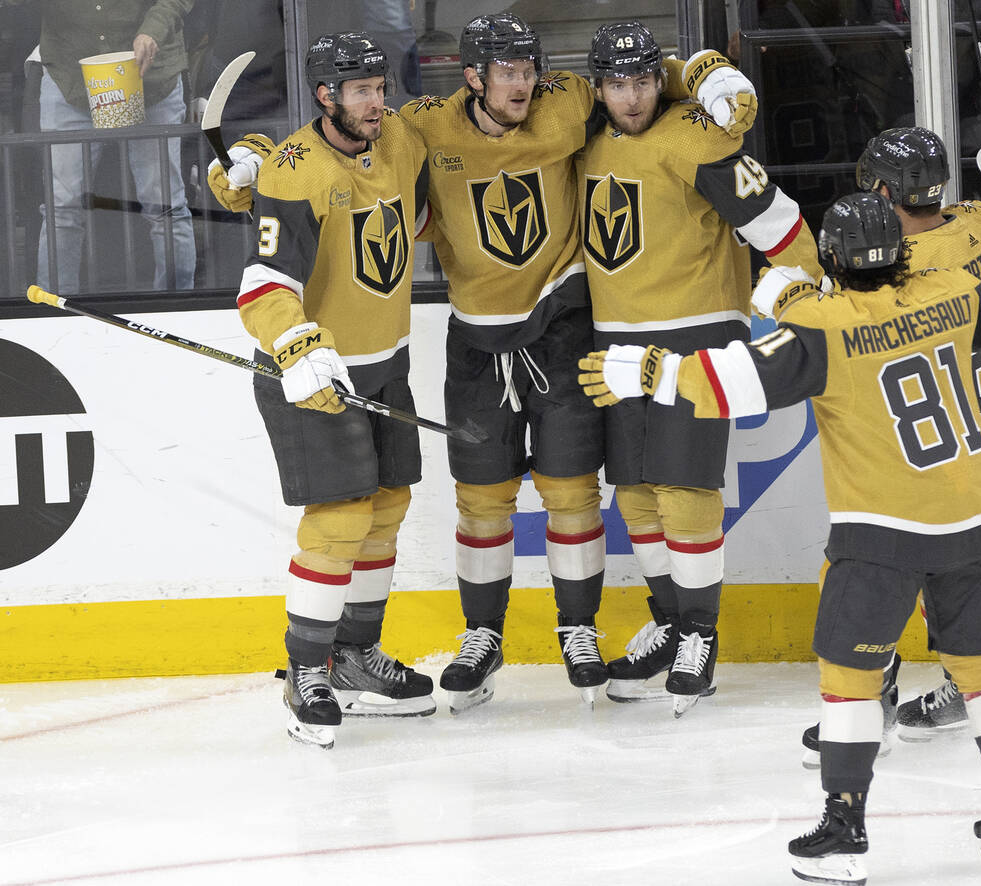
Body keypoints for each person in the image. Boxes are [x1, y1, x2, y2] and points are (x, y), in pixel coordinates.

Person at [578, 190, 981, 881]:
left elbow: (738, 379)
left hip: (879, 536)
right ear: (900, 251)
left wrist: (650, 371)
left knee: (849, 682)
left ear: (832, 260)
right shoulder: (955, 292)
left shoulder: (823, 324)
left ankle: (844, 830)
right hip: (973, 523)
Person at [206, 12, 759, 713]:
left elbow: (640, 78)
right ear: (471, 77)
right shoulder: (424, 127)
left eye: (529, 68)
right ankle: (478, 637)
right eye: (506, 72)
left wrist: (712, 73)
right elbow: (308, 157)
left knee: (567, 491)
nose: (522, 83)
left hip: (560, 325)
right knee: (479, 501)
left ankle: (577, 628)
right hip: (471, 338)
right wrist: (253, 156)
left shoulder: (562, 101)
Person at [581, 21, 823, 715]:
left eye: (644, 80)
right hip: (614, 339)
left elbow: (777, 221)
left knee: (685, 492)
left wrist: (815, 297)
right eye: (617, 84)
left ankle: (700, 635)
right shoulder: (586, 136)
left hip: (695, 334)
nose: (631, 97)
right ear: (599, 87)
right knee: (634, 493)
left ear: (661, 77)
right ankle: (671, 617)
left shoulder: (700, 135)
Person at [787, 127, 981, 759]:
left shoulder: (900, 268)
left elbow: (833, 323)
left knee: (860, 576)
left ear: (881, 189)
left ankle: (871, 693)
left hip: (923, 457)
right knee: (958, 577)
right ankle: (970, 684)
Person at [223, 32, 435, 748]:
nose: (378, 102)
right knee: (340, 517)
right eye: (362, 91)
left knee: (386, 507)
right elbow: (263, 286)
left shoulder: (401, 136)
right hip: (314, 374)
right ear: (325, 97)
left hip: (385, 363)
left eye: (381, 87)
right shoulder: (293, 173)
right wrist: (297, 346)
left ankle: (353, 659)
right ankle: (306, 670)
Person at [33, 0, 196, 294]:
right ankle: (53, 314)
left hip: (152, 77)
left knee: (166, 207)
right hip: (70, 77)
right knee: (62, 209)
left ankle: (178, 312)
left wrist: (153, 31)